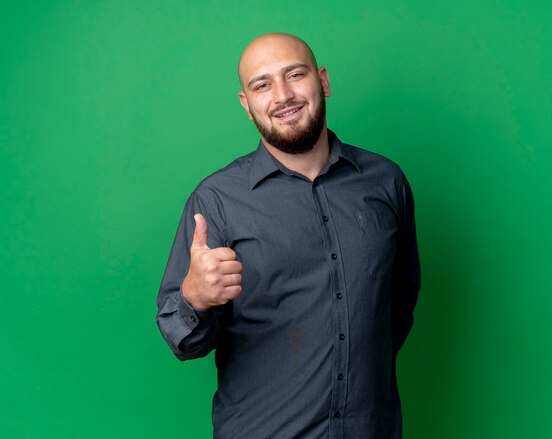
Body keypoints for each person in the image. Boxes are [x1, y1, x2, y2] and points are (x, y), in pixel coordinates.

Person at [156, 32, 421, 438]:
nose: (282, 95)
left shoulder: (385, 182)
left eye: (295, 74)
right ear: (247, 105)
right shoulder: (216, 201)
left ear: (323, 82)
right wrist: (194, 298)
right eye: (262, 84)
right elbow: (184, 342)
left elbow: (399, 299)